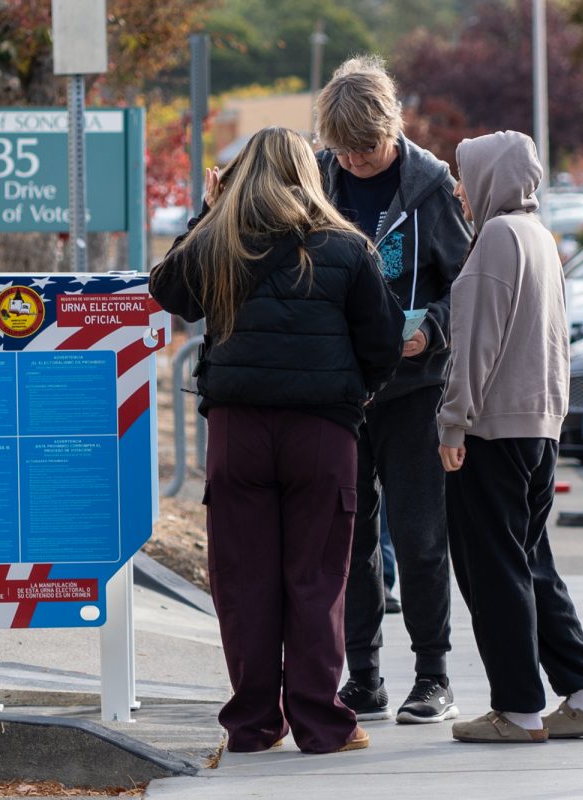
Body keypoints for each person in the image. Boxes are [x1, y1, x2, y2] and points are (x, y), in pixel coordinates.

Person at [149, 126, 404, 754]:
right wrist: (354, 394)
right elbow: (384, 342)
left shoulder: (221, 242)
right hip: (322, 432)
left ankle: (253, 722)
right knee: (317, 578)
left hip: (238, 430)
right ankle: (321, 724)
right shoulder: (347, 246)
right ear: (309, 173)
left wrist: (207, 214)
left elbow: (168, 290)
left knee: (244, 579)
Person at [437, 130, 583, 743]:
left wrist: (452, 421)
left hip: (492, 429)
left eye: (466, 175)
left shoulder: (494, 239)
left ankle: (516, 708)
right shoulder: (540, 238)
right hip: (539, 428)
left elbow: (475, 345)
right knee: (532, 564)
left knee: (492, 572)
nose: (460, 189)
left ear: (491, 177)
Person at [315, 55, 473, 724]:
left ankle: (433, 675)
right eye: (342, 150)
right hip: (342, 391)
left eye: (365, 149)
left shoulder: (432, 186)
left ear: (392, 129)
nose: (353, 161)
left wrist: (431, 329)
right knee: (348, 538)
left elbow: (468, 285)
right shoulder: (318, 179)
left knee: (418, 537)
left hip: (413, 390)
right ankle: (364, 677)